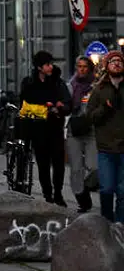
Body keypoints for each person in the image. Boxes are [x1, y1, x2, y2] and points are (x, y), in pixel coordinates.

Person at [18, 49, 71, 206]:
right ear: (39, 67)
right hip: (37, 130)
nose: (51, 67)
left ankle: (58, 193)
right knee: (43, 164)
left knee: (58, 163)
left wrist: (61, 108)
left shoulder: (58, 83)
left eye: (51, 64)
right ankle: (47, 194)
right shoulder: (29, 83)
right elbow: (24, 104)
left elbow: (68, 103)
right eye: (47, 64)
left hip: (55, 128)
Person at [86, 50, 124, 223]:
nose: (117, 63)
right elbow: (90, 117)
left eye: (120, 61)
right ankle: (107, 224)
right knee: (107, 189)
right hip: (106, 149)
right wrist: (105, 109)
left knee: (123, 192)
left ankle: (121, 227)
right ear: (107, 66)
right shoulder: (99, 90)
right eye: (113, 61)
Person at [65, 55, 97, 213]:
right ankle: (82, 200)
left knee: (93, 167)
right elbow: (65, 106)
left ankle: (86, 186)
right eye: (79, 66)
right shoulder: (71, 86)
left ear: (90, 68)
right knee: (76, 168)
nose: (82, 69)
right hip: (74, 130)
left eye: (85, 66)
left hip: (91, 130)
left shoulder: (96, 85)